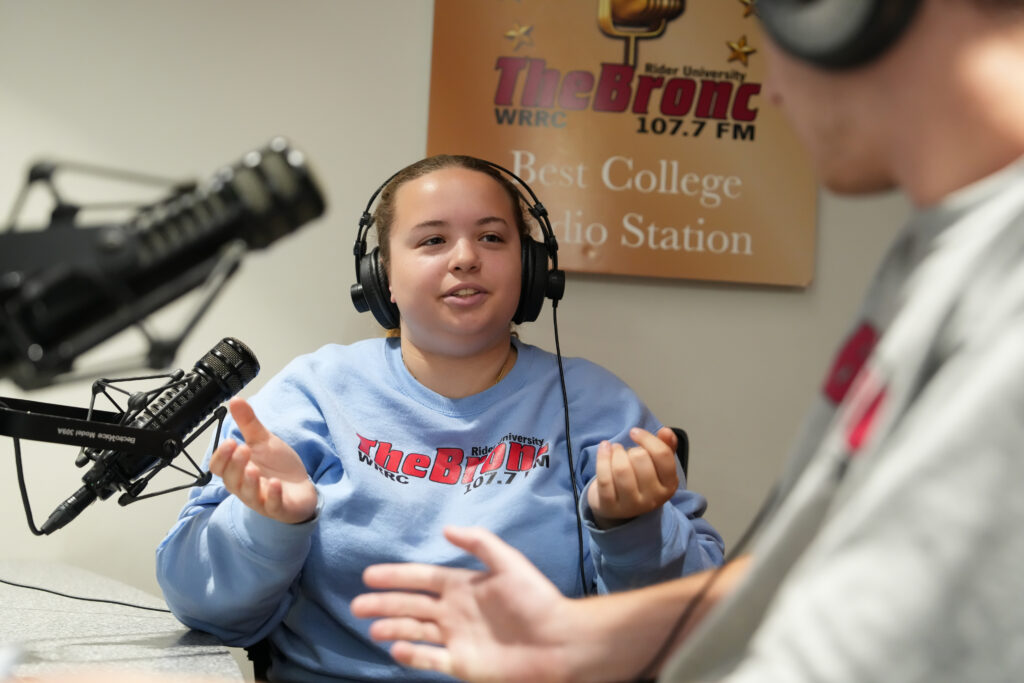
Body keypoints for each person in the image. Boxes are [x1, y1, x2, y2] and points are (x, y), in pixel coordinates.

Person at [348, 1, 1024, 681]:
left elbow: (884, 629)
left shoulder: (1008, 274)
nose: (774, 88)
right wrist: (579, 636)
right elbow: (848, 564)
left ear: (840, 13)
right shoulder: (943, 249)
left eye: (768, 23)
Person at [155, 154, 725, 682]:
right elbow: (203, 608)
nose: (465, 257)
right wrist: (270, 524)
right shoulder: (314, 394)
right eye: (432, 240)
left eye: (492, 237)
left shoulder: (598, 404)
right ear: (383, 278)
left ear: (530, 268)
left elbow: (692, 623)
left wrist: (632, 530)